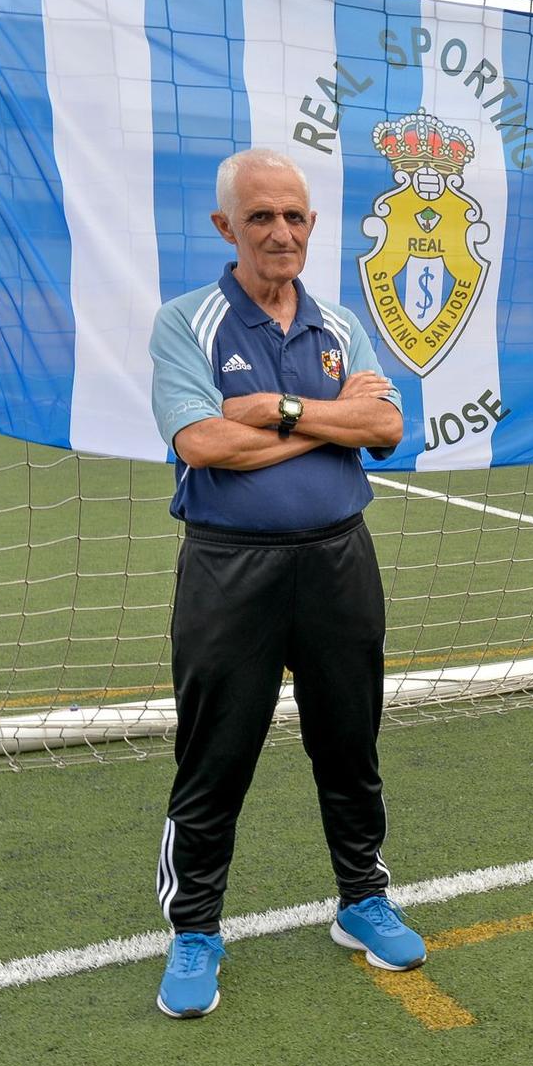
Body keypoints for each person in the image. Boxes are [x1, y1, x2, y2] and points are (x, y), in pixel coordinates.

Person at [145, 148, 417, 1019]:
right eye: (261, 217)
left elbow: (385, 425)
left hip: (339, 560)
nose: (282, 233)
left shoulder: (337, 322)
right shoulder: (185, 322)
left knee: (350, 741)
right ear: (227, 226)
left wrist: (280, 411)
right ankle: (195, 927)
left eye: (295, 216)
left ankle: (362, 898)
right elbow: (205, 443)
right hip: (231, 568)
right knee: (215, 753)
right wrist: (329, 430)